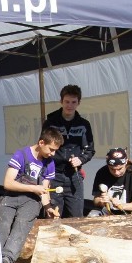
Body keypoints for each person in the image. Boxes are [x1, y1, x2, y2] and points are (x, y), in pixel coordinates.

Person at [0, 127, 63, 263]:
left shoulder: (49, 163)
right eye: (51, 149)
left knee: (21, 225)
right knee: (4, 224)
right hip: (10, 197)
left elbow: (44, 191)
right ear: (41, 142)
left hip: (32, 201)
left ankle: (6, 261)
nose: (52, 154)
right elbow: (8, 183)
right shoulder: (22, 154)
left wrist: (48, 207)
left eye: (55, 151)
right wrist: (33, 188)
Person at [42, 84, 95, 218]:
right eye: (67, 102)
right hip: (54, 175)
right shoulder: (50, 122)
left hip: (74, 176)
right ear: (61, 101)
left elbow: (90, 150)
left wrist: (81, 159)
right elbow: (43, 147)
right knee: (53, 215)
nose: (69, 105)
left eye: (73, 102)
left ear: (78, 103)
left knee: (76, 216)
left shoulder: (84, 124)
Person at [89, 147, 132, 216]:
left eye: (120, 169)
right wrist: (102, 201)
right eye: (112, 169)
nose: (116, 172)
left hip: (130, 212)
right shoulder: (102, 172)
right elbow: (96, 200)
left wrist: (122, 205)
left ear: (126, 163)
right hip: (107, 212)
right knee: (92, 215)